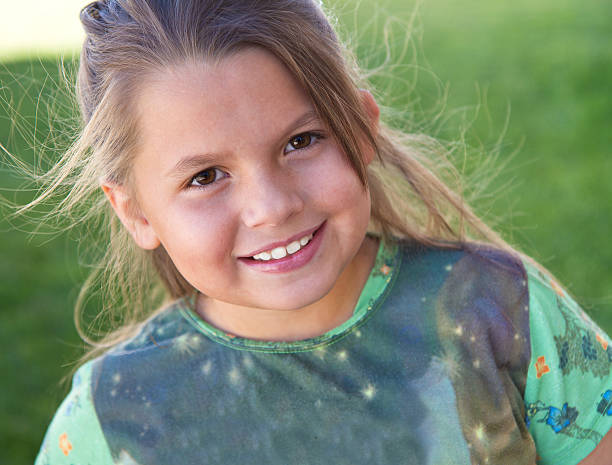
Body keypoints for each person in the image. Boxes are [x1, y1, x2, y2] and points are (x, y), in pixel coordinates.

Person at [30, 0, 611, 463]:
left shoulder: (498, 308)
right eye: (206, 176)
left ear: (361, 129)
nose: (272, 206)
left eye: (300, 141)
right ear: (136, 212)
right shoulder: (112, 414)